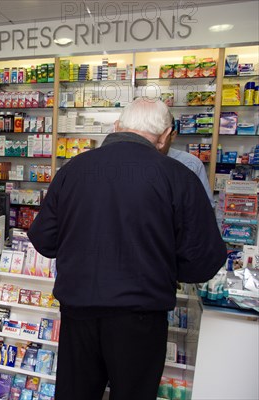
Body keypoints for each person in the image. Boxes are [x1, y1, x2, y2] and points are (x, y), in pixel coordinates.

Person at [27, 98, 226, 400]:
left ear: (118, 127)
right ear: (165, 135)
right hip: (141, 318)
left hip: (78, 312)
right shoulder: (178, 176)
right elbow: (203, 260)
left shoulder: (74, 169)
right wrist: (163, 264)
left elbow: (43, 239)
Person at [157, 119, 213, 203]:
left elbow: (206, 205)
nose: (153, 144)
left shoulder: (191, 163)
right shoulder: (135, 162)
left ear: (172, 135)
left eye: (159, 137)